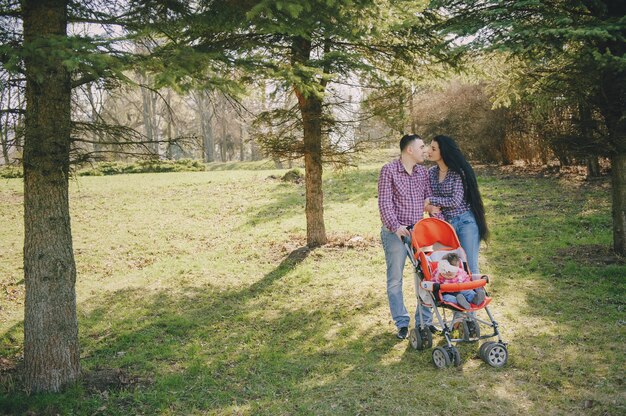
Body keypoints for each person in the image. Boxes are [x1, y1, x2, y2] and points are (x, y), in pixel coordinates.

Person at [378, 134, 440, 339]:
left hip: (419, 234)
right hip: (395, 233)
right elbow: (385, 202)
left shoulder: (423, 173)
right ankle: (402, 322)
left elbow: (427, 201)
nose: (425, 150)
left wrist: (436, 219)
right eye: (421, 146)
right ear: (409, 150)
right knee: (395, 279)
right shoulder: (389, 171)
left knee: (426, 277)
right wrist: (396, 227)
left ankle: (425, 320)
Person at [425, 135, 489, 276]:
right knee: (448, 268)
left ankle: (477, 295)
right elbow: (425, 198)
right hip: (445, 226)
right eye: (430, 147)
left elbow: (455, 201)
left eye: (433, 148)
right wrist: (428, 205)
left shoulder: (458, 173)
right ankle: (458, 297)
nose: (429, 150)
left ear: (444, 152)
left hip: (465, 222)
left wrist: (431, 200)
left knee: (469, 267)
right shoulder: (431, 173)